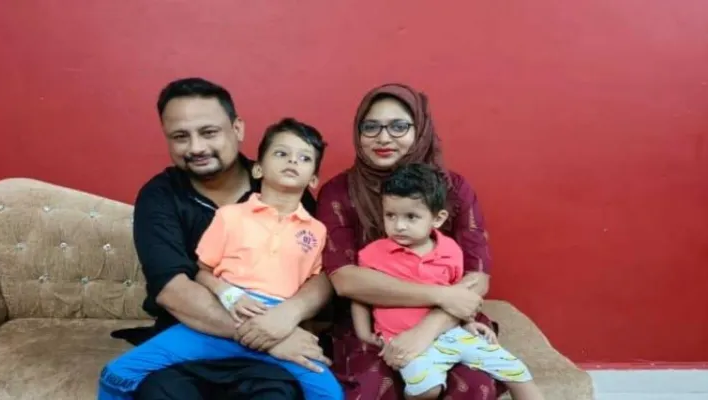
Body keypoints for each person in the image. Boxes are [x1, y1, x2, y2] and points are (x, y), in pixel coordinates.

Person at [112, 78, 333, 400]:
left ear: (237, 129)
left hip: (271, 349)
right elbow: (173, 290)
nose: (196, 147)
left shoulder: (282, 182)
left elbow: (322, 272)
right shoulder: (159, 197)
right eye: (180, 136)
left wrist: (288, 316)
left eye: (209, 132)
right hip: (190, 338)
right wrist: (265, 337)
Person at [316, 83, 508, 399]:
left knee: (475, 386)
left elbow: (477, 277)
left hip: (447, 319)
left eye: (398, 126)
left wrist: (427, 329)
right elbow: (345, 280)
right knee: (374, 386)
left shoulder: (453, 189)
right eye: (371, 127)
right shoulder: (339, 192)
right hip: (369, 321)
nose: (383, 138)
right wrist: (441, 295)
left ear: (420, 130)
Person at [351, 163, 543, 400]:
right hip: (405, 341)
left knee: (516, 371)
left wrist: (468, 322)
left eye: (411, 217)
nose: (399, 225)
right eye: (390, 215)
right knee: (426, 389)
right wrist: (364, 333)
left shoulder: (450, 251)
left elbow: (456, 296)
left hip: (452, 334)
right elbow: (360, 295)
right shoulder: (373, 254)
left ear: (438, 218)